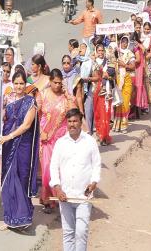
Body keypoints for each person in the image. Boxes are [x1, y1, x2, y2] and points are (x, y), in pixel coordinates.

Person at [50, 108, 101, 251]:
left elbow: (96, 165)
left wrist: (94, 183)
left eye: (75, 121)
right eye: (70, 121)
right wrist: (57, 188)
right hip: (65, 196)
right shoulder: (60, 143)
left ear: (80, 122)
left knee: (81, 232)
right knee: (68, 232)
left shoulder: (90, 141)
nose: (72, 124)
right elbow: (54, 168)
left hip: (84, 197)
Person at [0, 71, 39, 230]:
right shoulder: (7, 99)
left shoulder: (30, 102)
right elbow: (3, 118)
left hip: (23, 145)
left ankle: (24, 217)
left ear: (25, 84)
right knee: (8, 179)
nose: (19, 86)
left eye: (22, 83)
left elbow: (26, 125)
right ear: (12, 84)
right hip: (8, 144)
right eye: (17, 83)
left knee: (21, 178)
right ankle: (10, 219)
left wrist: (9, 137)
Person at [37, 69, 75, 214]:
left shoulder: (66, 98)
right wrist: (41, 132)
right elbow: (35, 115)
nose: (57, 85)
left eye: (60, 83)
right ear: (50, 81)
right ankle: (47, 200)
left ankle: (58, 198)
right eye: (55, 82)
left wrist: (67, 94)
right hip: (45, 138)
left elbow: (74, 113)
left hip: (61, 140)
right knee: (47, 170)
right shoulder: (43, 94)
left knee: (60, 171)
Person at [113, 36, 135, 133]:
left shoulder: (130, 54)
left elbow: (133, 66)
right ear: (120, 42)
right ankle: (117, 125)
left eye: (126, 42)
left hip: (127, 79)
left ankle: (124, 126)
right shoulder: (116, 53)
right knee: (118, 103)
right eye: (123, 41)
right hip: (118, 79)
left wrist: (124, 65)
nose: (124, 44)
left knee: (125, 102)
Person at [93, 44, 112, 146]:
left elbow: (113, 73)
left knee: (105, 113)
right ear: (96, 51)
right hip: (96, 91)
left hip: (106, 91)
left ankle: (104, 136)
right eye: (99, 50)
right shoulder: (93, 63)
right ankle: (99, 134)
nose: (100, 52)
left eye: (102, 50)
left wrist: (108, 75)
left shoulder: (108, 62)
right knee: (98, 113)